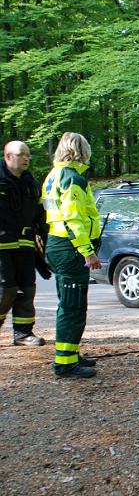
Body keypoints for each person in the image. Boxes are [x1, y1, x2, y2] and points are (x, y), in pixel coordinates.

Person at [42, 133, 102, 378]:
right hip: (69, 247)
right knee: (73, 306)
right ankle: (65, 363)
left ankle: (71, 353)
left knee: (68, 303)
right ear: (80, 151)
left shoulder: (53, 176)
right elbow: (72, 218)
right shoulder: (72, 178)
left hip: (56, 244)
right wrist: (87, 251)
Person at [0, 141, 48, 346]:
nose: (26, 158)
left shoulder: (32, 183)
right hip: (2, 246)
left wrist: (45, 237)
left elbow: (40, 213)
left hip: (26, 245)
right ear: (8, 157)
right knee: (6, 289)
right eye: (21, 155)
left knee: (27, 289)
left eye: (28, 155)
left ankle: (23, 333)